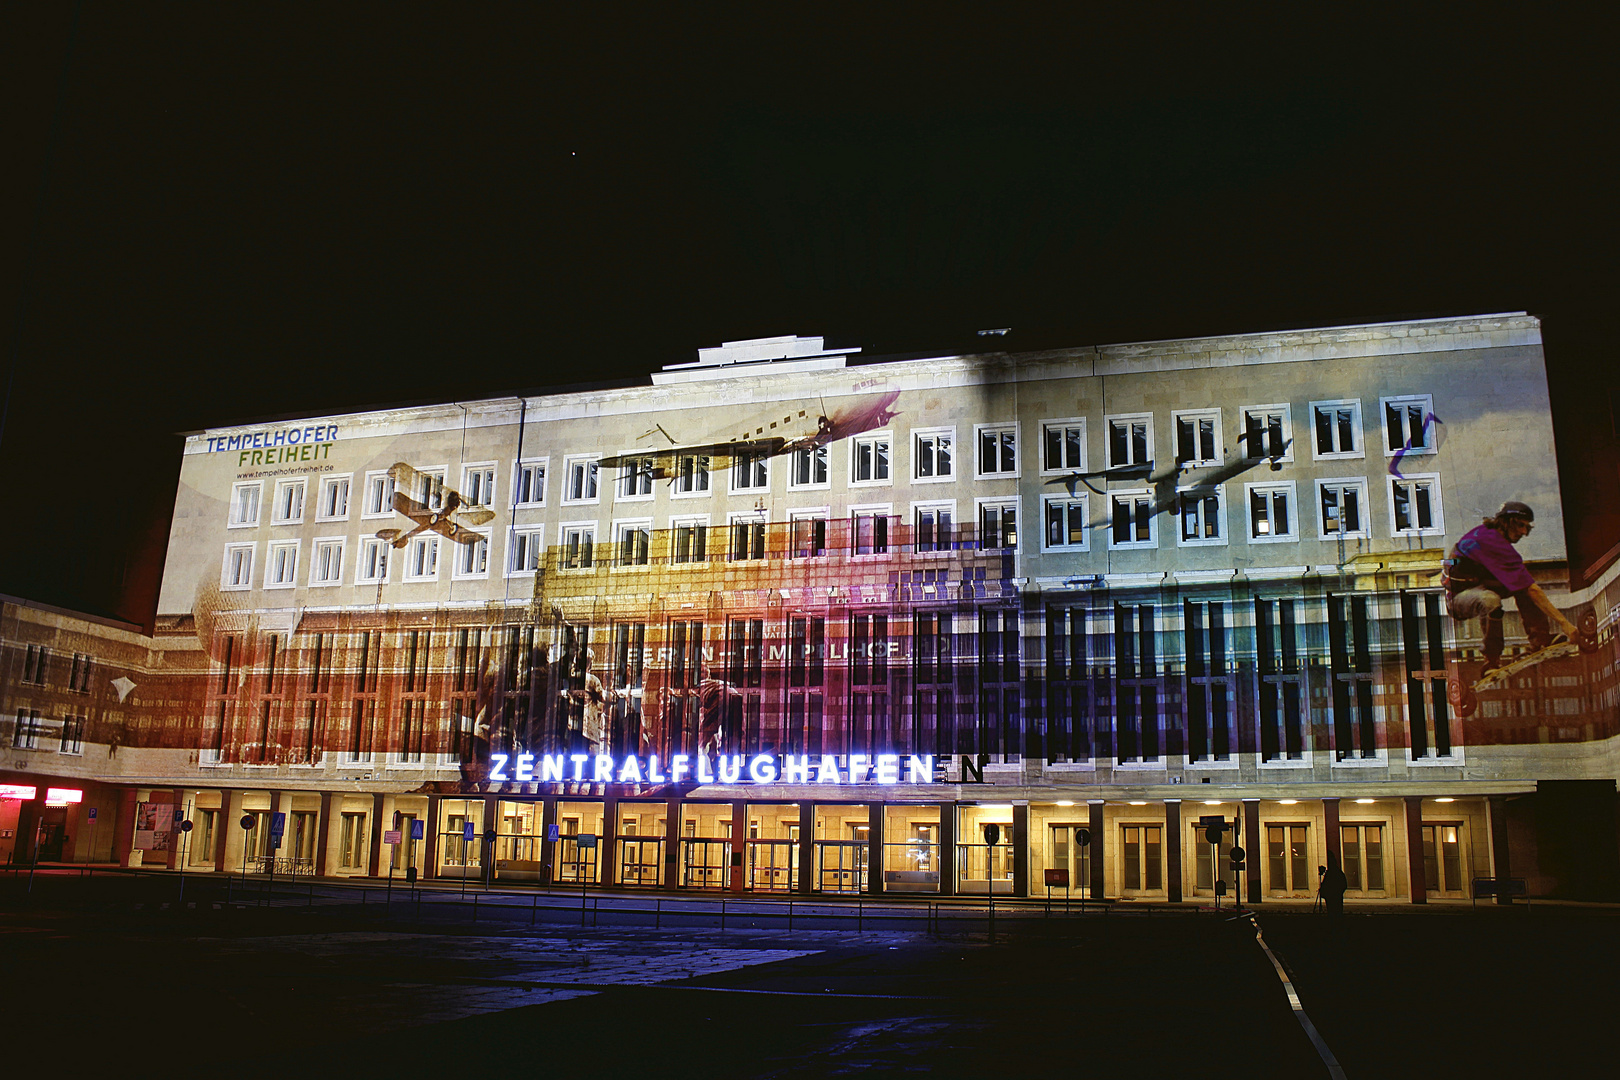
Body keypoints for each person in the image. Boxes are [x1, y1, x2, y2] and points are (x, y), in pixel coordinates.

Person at [1444, 500, 1581, 677]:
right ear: (1506, 522)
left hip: (1478, 585)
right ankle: (1491, 661)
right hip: (1458, 600)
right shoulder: (1490, 540)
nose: (1524, 533)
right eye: (1520, 526)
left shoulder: (1489, 534)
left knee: (1522, 585)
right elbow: (1533, 590)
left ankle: (1540, 639)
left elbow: (1526, 586)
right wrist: (1565, 623)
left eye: (1527, 528)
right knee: (1491, 599)